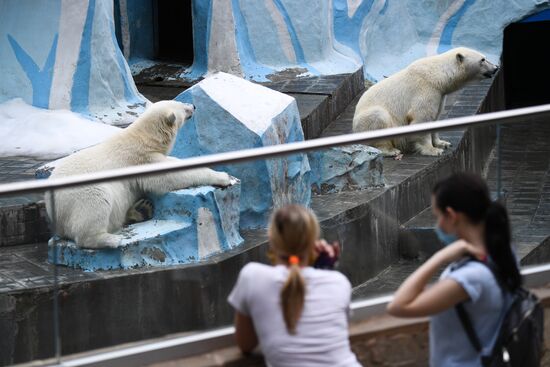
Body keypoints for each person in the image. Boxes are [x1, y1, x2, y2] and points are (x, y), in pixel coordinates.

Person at [387, 172, 521, 366]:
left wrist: (439, 257)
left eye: (437, 216)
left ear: (451, 215)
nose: (437, 224)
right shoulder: (504, 251)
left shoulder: (469, 278)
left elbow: (398, 306)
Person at [228, 204, 361, 367]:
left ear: (271, 238)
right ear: (314, 242)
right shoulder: (338, 282)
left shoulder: (252, 277)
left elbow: (246, 344)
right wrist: (323, 268)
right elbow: (328, 333)